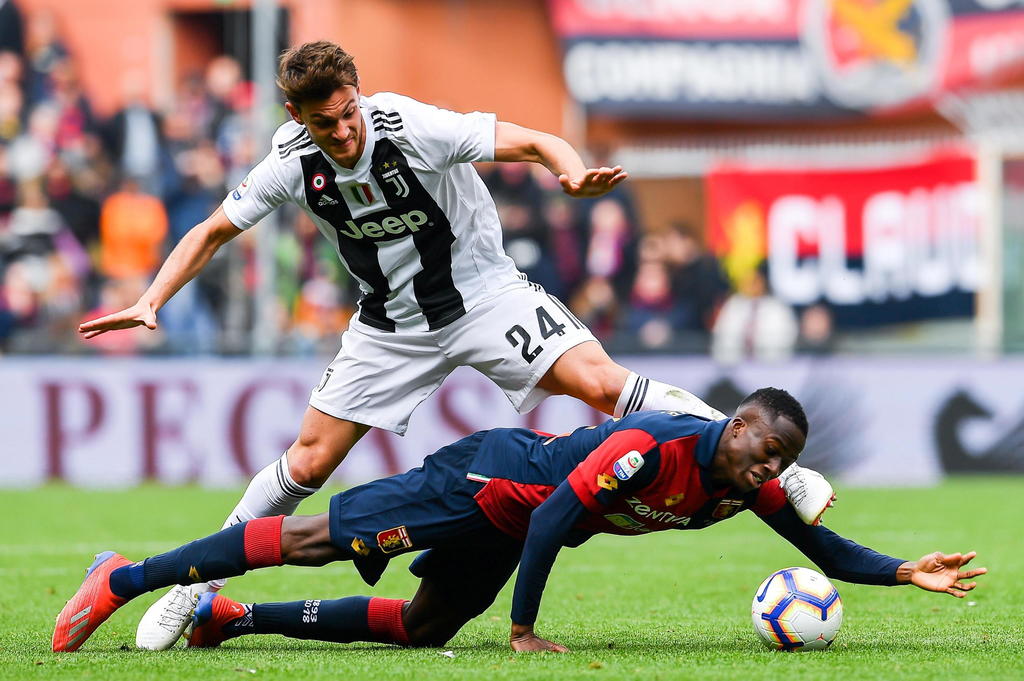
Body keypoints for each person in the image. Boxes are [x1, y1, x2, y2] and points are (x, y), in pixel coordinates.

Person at [76, 41, 834, 648]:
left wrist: (571, 175)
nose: (343, 132)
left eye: (348, 113)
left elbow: (534, 139)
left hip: (484, 295)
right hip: (390, 322)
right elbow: (212, 230)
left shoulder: (410, 126)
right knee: (306, 463)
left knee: (604, 384)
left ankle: (791, 476)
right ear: (295, 116)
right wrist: (150, 300)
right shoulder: (291, 163)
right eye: (324, 122)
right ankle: (195, 589)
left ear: (359, 95)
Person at [52, 388, 985, 654]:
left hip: (510, 521)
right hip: (484, 482)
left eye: (781, 462)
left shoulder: (746, 485)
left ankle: (229, 617)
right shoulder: (653, 447)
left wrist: (905, 570)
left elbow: (823, 544)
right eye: (763, 449)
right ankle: (122, 577)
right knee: (308, 539)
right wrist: (524, 628)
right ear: (736, 425)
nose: (770, 469)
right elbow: (555, 521)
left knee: (423, 629)